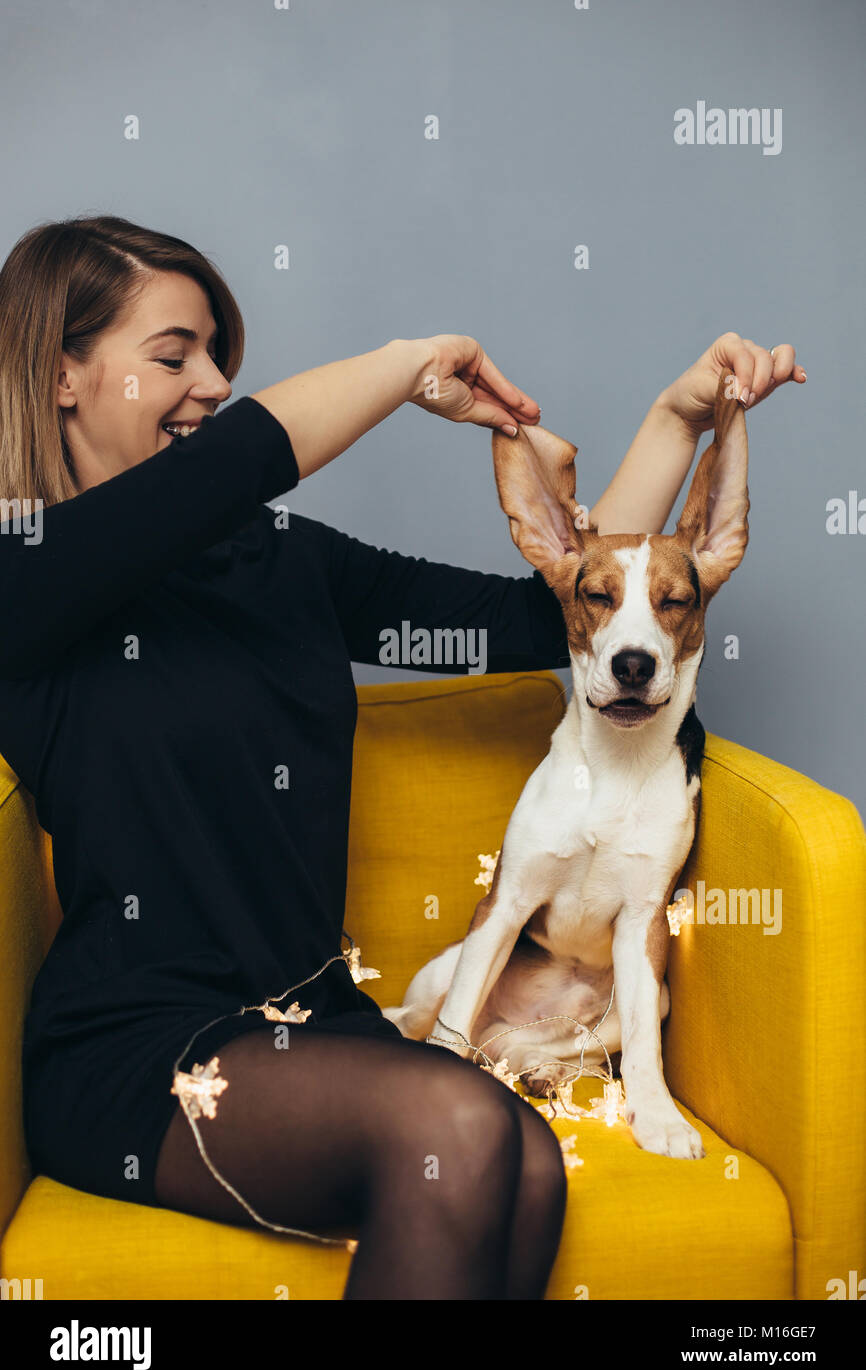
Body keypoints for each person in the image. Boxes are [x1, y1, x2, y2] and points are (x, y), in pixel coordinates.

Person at [0, 213, 805, 1301]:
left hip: (308, 1022)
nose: (210, 385)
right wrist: (405, 367)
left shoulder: (278, 562)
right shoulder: (27, 573)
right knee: (463, 1125)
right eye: (173, 355)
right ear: (59, 374)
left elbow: (555, 612)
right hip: (138, 1048)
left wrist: (674, 417)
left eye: (218, 358)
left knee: (521, 1162)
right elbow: (239, 463)